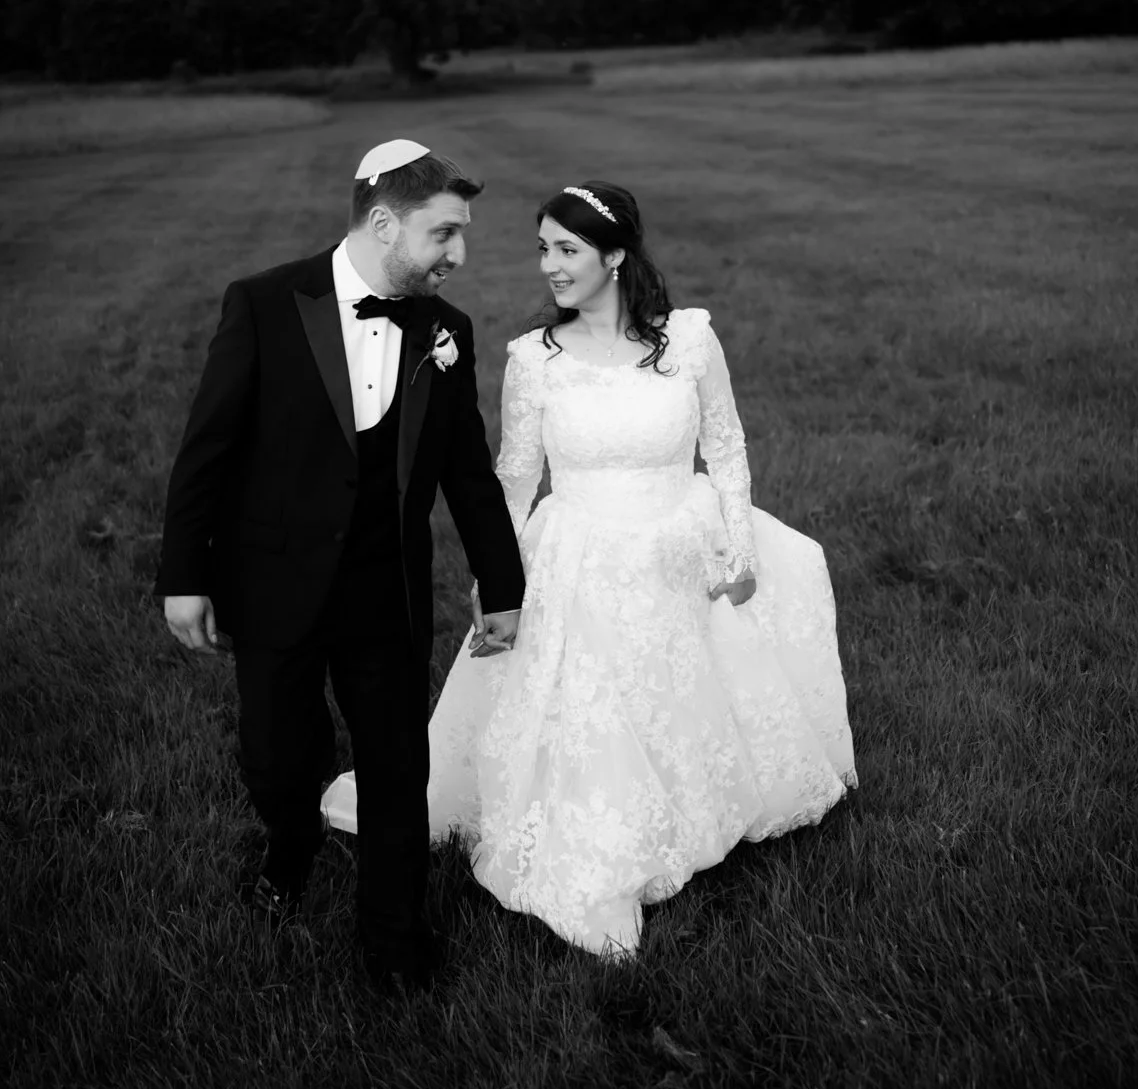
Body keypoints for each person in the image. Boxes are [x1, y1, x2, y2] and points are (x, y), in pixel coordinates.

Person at [325, 180, 856, 957]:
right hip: (578, 552)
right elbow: (512, 477)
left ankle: (691, 810)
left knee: (693, 695)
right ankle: (603, 846)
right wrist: (495, 580)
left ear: (614, 256)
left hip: (678, 538)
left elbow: (728, 447)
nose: (549, 265)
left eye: (566, 249)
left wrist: (737, 550)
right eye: (542, 248)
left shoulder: (689, 342)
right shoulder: (535, 361)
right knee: (588, 711)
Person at [157, 139, 526, 993]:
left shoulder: (446, 333)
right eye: (444, 235)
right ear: (385, 222)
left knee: (398, 763)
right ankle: (289, 845)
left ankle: (392, 942)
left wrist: (500, 584)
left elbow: (467, 470)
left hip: (382, 586)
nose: (459, 256)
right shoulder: (264, 303)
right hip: (274, 580)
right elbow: (205, 452)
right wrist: (185, 574)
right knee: (278, 756)